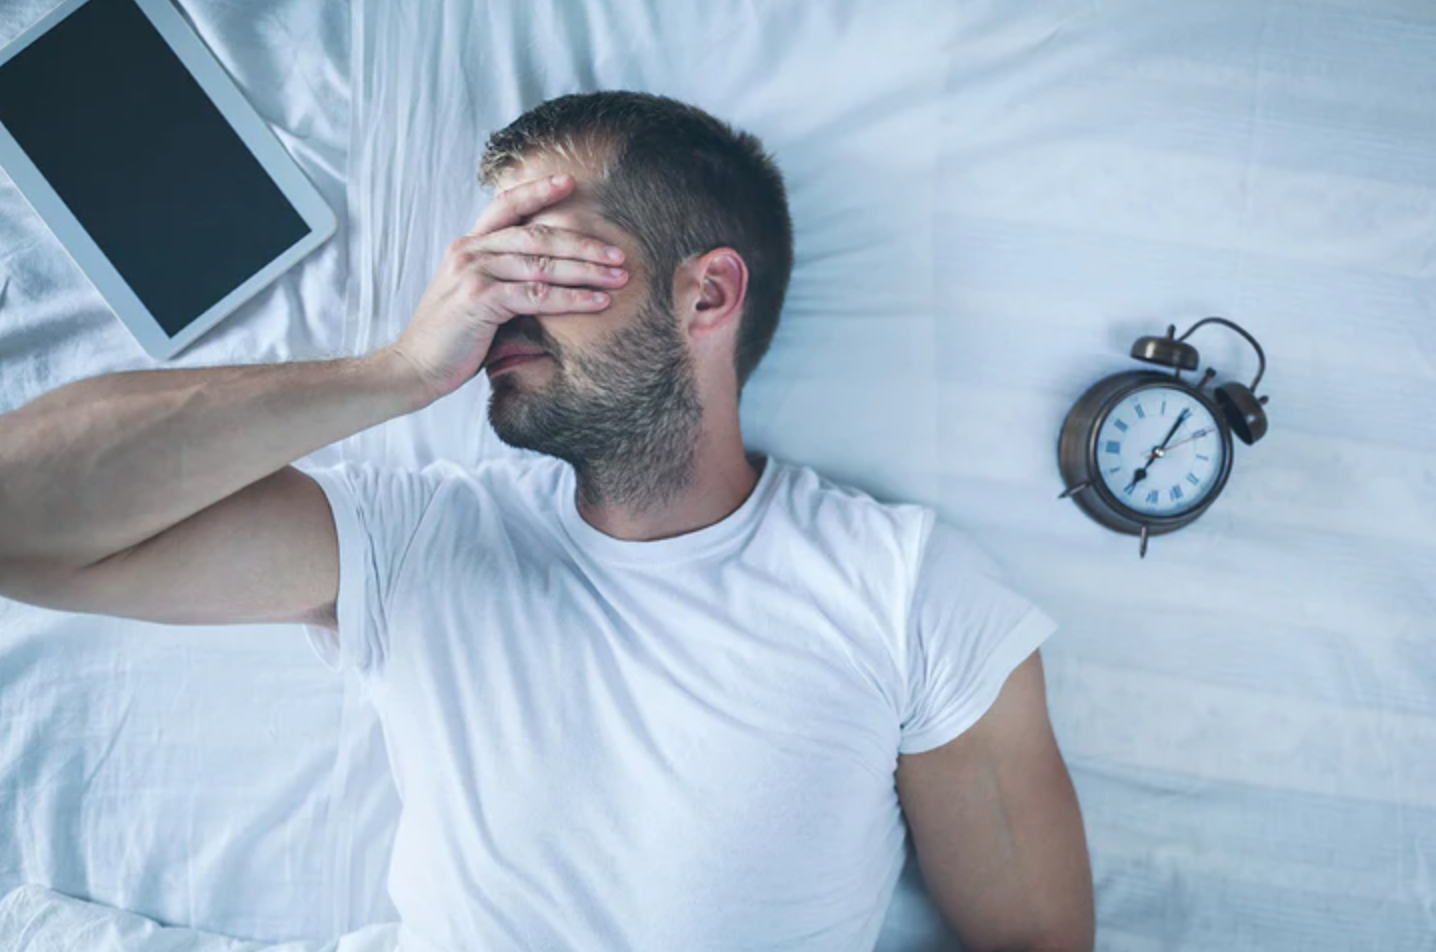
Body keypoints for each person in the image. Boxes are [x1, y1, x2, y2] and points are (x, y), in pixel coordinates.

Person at [0, 91, 1093, 952]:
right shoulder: (416, 538)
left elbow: (1036, 939)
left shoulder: (900, 585)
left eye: (539, 260)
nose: (491, 301)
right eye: (483, 264)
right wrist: (393, 372)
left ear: (705, 296)